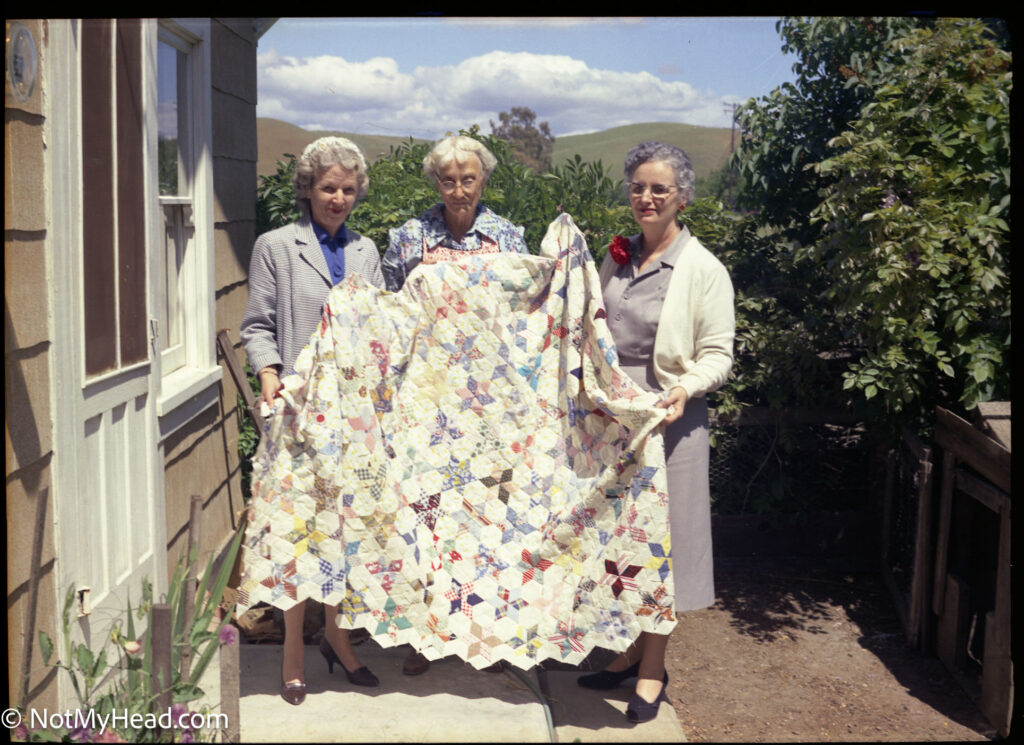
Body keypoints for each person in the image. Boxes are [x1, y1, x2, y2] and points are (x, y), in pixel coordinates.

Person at [577, 142, 735, 723]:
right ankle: (625, 655)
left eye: (659, 190)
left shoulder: (703, 269)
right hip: (617, 426)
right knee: (621, 543)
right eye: (638, 187)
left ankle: (652, 671)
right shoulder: (616, 258)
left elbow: (718, 354)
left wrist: (684, 389)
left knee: (662, 550)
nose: (646, 198)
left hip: (671, 424)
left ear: (682, 198)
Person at [240, 136, 384, 705]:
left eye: (348, 189)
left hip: (350, 416)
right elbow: (257, 325)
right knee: (298, 532)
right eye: (329, 188)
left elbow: (377, 329)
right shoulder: (276, 246)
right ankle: (294, 652)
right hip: (296, 413)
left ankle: (339, 641)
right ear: (308, 189)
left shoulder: (366, 252)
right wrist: (269, 373)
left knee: (341, 533)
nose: (339, 198)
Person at [381, 134, 528, 293]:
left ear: (483, 180)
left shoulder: (507, 238)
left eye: (468, 181)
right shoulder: (409, 238)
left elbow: (525, 301)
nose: (458, 193)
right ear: (437, 184)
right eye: (448, 183)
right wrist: (413, 284)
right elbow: (389, 306)